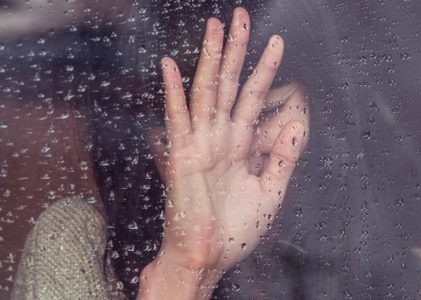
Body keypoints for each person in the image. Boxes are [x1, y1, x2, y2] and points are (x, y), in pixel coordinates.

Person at [11, 6, 310, 300]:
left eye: (269, 111)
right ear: (161, 145)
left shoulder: (329, 259)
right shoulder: (77, 247)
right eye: (211, 126)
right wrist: (185, 269)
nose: (241, 144)